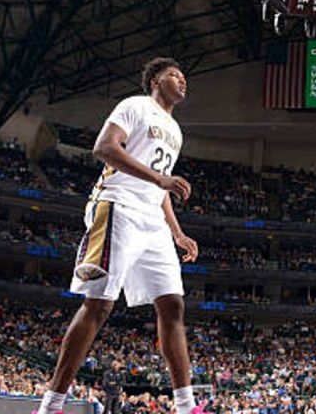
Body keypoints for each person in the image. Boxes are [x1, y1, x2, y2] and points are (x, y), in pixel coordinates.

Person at [34, 58, 202, 414]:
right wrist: (160, 181)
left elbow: (161, 189)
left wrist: (177, 232)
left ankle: (187, 407)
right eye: (175, 74)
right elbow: (104, 147)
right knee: (99, 304)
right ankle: (51, 406)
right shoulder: (135, 105)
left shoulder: (175, 129)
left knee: (173, 305)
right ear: (156, 80)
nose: (182, 80)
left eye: (184, 76)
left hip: (152, 218)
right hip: (118, 206)